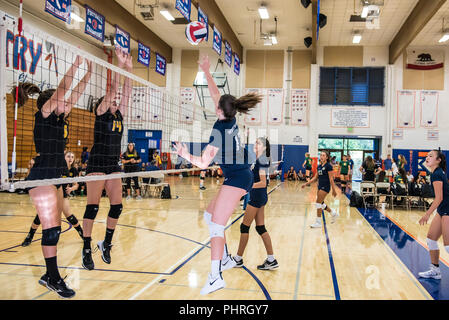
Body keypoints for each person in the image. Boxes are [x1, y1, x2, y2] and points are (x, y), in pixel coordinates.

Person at [173, 54, 260, 295]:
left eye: (217, 104)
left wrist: (184, 153)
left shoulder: (219, 129)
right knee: (211, 216)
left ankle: (215, 276)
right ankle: (225, 259)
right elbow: (215, 94)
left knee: (215, 228)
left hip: (239, 178)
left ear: (220, 110)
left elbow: (202, 164)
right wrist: (206, 71)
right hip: (239, 176)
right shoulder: (230, 118)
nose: (214, 103)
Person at [13, 55, 92, 298]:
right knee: (52, 230)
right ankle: (53, 277)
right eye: (63, 102)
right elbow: (63, 90)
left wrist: (88, 74)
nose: (68, 103)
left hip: (55, 177)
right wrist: (76, 65)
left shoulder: (60, 119)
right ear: (51, 103)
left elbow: (73, 94)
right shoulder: (43, 115)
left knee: (54, 228)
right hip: (41, 177)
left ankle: (50, 275)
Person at [81, 47, 133, 271]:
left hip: (113, 164)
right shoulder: (101, 112)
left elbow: (126, 93)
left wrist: (130, 69)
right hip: (97, 163)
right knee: (92, 207)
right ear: (103, 103)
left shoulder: (119, 114)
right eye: (112, 101)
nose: (116, 102)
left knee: (117, 207)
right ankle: (86, 247)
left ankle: (107, 243)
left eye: (115, 102)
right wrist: (119, 67)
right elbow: (113, 90)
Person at [233, 137, 278, 270]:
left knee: (244, 227)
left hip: (257, 197)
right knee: (260, 228)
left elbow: (263, 183)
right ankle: (271, 260)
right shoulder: (259, 160)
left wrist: (247, 187)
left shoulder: (262, 160)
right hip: (260, 196)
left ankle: (238, 259)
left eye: (258, 143)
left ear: (264, 147)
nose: (255, 144)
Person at [21, 151, 84, 247]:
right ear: (64, 157)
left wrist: (71, 189)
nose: (70, 158)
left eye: (72, 157)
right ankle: (29, 236)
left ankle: (83, 234)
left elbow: (76, 185)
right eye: (68, 156)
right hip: (52, 194)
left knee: (69, 215)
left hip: (63, 196)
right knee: (40, 216)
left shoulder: (73, 170)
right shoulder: (58, 167)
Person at [418, 150, 449, 280]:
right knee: (431, 239)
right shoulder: (436, 172)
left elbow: (439, 198)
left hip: (447, 209)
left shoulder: (436, 174)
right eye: (427, 156)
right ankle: (435, 270)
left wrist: (427, 214)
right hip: (442, 210)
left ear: (438, 160)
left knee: (448, 246)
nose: (427, 158)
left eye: (431, 156)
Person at [302, 150, 339, 228]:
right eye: (321, 155)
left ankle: (318, 222)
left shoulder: (328, 166)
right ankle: (333, 213)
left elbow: (331, 179)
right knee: (321, 203)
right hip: (319, 186)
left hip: (325, 187)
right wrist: (306, 183)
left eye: (323, 155)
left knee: (318, 203)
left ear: (327, 157)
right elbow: (315, 178)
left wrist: (334, 190)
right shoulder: (319, 166)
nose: (321, 157)